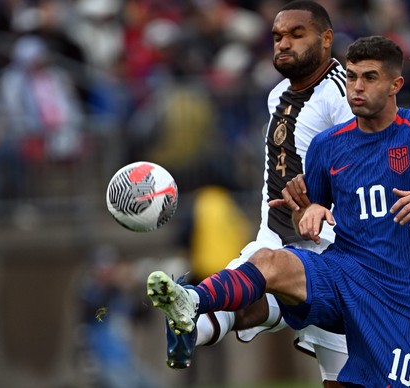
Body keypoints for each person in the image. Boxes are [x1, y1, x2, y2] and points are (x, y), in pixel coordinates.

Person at [148, 34, 410, 386]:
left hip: (397, 301)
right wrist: (309, 213)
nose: (356, 87)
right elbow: (309, 212)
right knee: (270, 261)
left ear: (395, 84)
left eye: (369, 77)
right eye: (351, 76)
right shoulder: (327, 146)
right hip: (343, 275)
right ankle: (192, 300)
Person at [156, 1, 353, 386]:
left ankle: (194, 306)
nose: (284, 44)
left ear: (326, 39)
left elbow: (363, 162)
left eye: (297, 35)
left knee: (340, 378)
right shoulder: (277, 94)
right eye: (278, 37)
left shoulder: (341, 92)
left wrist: (319, 201)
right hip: (277, 238)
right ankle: (190, 320)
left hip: (333, 247)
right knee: (243, 293)